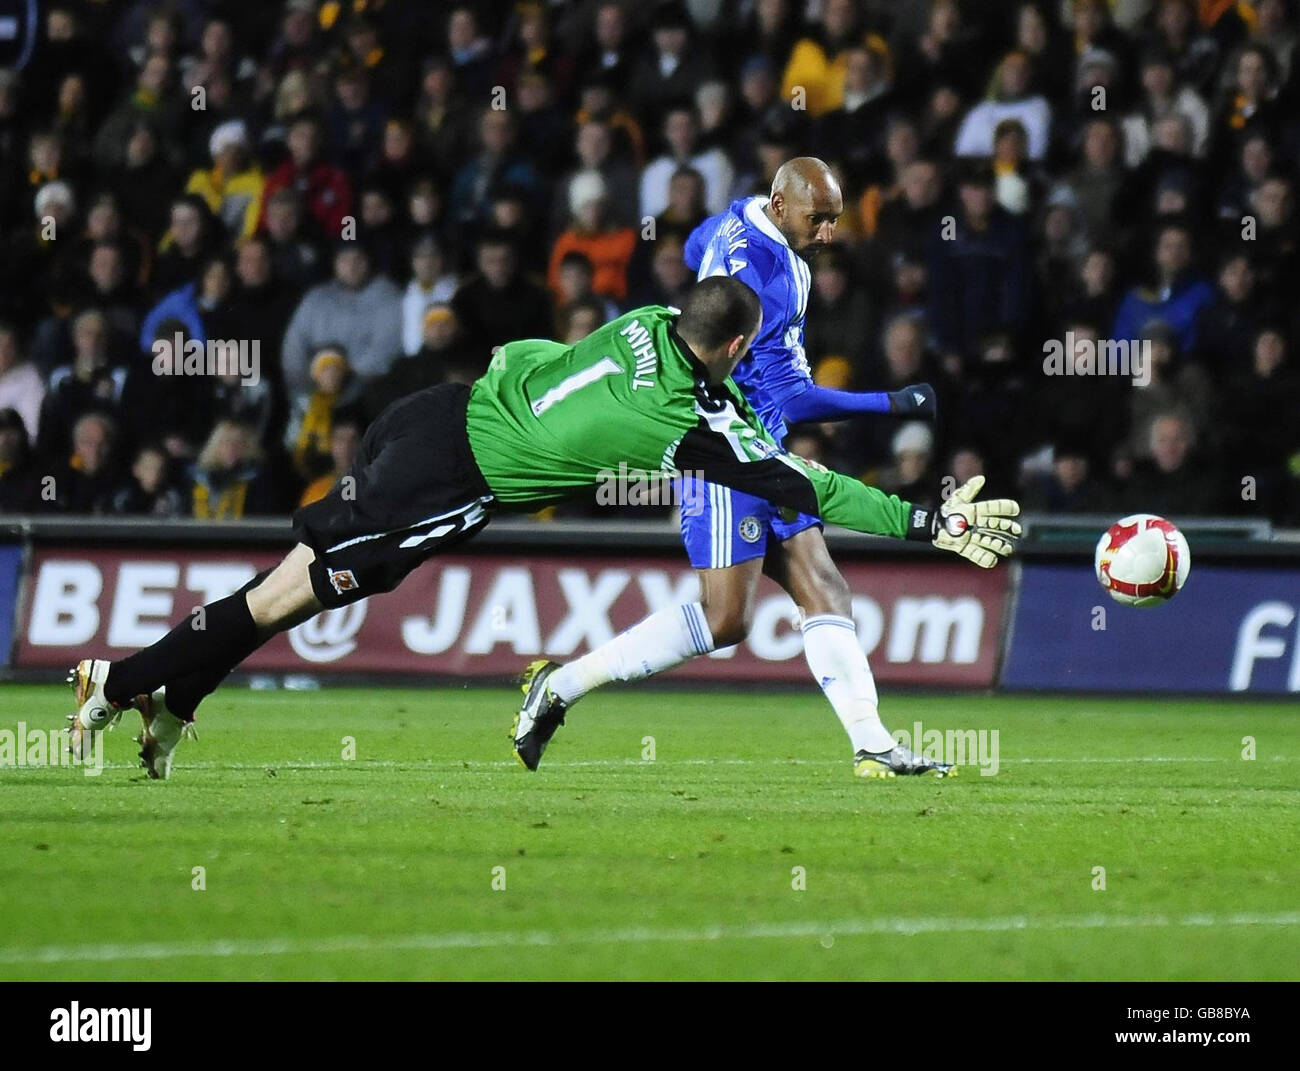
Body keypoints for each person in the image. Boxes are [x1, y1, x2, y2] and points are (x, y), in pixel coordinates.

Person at [65, 277, 1020, 780]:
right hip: (446, 478)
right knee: (282, 597)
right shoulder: (678, 424)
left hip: (436, 407)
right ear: (731, 348)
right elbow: (800, 483)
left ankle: (173, 708)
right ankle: (119, 679)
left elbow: (530, 350)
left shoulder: (649, 320)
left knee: (285, 597)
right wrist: (923, 518)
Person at [518, 158, 947, 782]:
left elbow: (695, 245)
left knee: (823, 586)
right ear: (780, 206)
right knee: (727, 619)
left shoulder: (738, 215)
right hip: (722, 447)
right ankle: (561, 685)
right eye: (817, 219)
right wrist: (892, 402)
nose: (828, 235)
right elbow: (798, 397)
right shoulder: (771, 285)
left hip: (759, 439)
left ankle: (873, 744)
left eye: (835, 220)